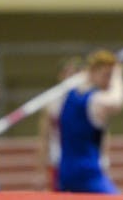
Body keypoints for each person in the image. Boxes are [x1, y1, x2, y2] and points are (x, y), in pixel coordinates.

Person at [57, 50, 123, 193]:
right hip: (87, 172)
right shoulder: (94, 100)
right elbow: (117, 102)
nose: (108, 80)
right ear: (93, 72)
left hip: (65, 172)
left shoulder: (68, 97)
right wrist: (118, 77)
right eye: (106, 75)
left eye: (110, 76)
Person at [37, 56, 83, 190]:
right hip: (58, 161)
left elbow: (101, 134)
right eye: (67, 73)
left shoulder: (90, 100)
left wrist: (103, 160)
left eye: (75, 73)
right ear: (60, 76)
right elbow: (44, 137)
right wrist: (40, 170)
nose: (71, 77)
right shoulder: (52, 103)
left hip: (82, 161)